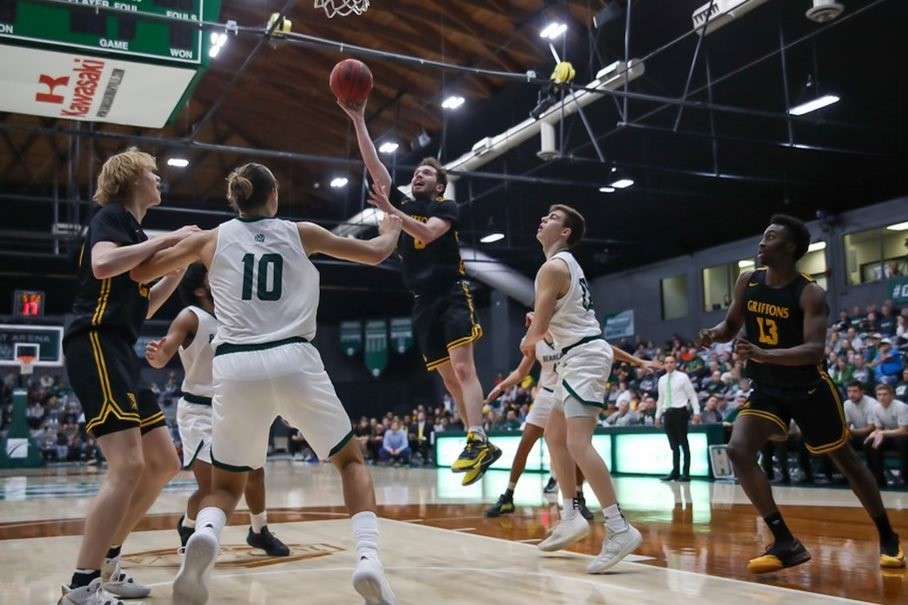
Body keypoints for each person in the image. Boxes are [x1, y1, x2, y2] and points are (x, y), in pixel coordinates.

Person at [130, 162, 402, 604]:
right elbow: (374, 253)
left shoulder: (212, 239)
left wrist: (180, 241)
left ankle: (207, 537)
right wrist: (390, 229)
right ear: (273, 195)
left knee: (223, 486)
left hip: (235, 366)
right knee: (350, 463)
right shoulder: (302, 232)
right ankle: (369, 560)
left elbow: (141, 274)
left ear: (234, 200)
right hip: (294, 356)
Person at [697, 214, 904, 573]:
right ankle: (784, 541)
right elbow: (731, 326)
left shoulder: (810, 292)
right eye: (762, 236)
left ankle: (887, 535)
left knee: (848, 463)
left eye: (770, 237)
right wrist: (713, 334)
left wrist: (765, 354)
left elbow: (815, 350)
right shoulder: (749, 280)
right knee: (738, 450)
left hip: (809, 388)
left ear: (790, 247)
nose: (761, 243)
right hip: (767, 387)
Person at [59, 148, 197, 605]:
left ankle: (109, 562)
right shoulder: (110, 216)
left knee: (163, 462)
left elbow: (145, 302)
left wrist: (178, 265)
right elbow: (103, 264)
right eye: (153, 174)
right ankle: (82, 585)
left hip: (121, 346)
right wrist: (169, 238)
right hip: (94, 341)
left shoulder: (132, 230)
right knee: (129, 465)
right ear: (132, 179)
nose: (159, 180)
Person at [340, 101, 499, 486]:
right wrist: (360, 119)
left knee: (463, 370)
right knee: (448, 382)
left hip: (452, 292)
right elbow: (375, 165)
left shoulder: (447, 206)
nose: (418, 175)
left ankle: (477, 437)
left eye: (427, 172)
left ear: (439, 184)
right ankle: (477, 442)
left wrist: (395, 214)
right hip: (422, 303)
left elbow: (427, 234)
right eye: (417, 172)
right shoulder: (403, 203)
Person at [525, 204, 658, 574]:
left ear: (566, 232)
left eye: (552, 218)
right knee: (554, 435)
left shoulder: (553, 267)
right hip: (575, 356)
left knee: (577, 443)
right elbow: (552, 323)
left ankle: (618, 527)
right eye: (545, 214)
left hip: (583, 358)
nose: (543, 219)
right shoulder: (565, 266)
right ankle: (570, 514)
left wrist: (530, 335)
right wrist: (537, 329)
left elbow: (539, 327)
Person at [144, 263, 289, 557]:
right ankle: (190, 525)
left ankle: (259, 530)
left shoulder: (236, 316)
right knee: (212, 484)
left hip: (238, 403)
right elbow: (167, 349)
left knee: (255, 473)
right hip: (200, 409)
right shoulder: (191, 316)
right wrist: (159, 357)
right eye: (213, 274)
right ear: (200, 289)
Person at [484, 323, 592, 520]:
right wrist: (501, 387)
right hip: (545, 395)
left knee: (573, 448)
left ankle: (579, 497)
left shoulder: (567, 333)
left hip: (567, 394)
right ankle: (508, 496)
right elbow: (520, 372)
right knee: (524, 445)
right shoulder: (536, 340)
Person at [655, 355, 701, 482]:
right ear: (664, 364)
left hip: (680, 412)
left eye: (671, 362)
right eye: (666, 362)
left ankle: (686, 473)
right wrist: (657, 416)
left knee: (684, 443)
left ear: (675, 364)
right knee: (673, 445)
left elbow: (692, 395)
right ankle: (675, 472)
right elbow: (661, 399)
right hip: (667, 413)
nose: (669, 364)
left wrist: (697, 412)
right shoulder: (662, 380)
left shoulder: (683, 377)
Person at [864, 384, 908, 488]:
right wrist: (873, 436)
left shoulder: (901, 407)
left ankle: (905, 478)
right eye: (879, 395)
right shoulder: (875, 408)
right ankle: (878, 479)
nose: (882, 397)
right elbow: (878, 429)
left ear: (892, 395)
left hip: (904, 436)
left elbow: (904, 430)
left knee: (902, 441)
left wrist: (882, 433)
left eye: (885, 394)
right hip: (891, 435)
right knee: (870, 444)